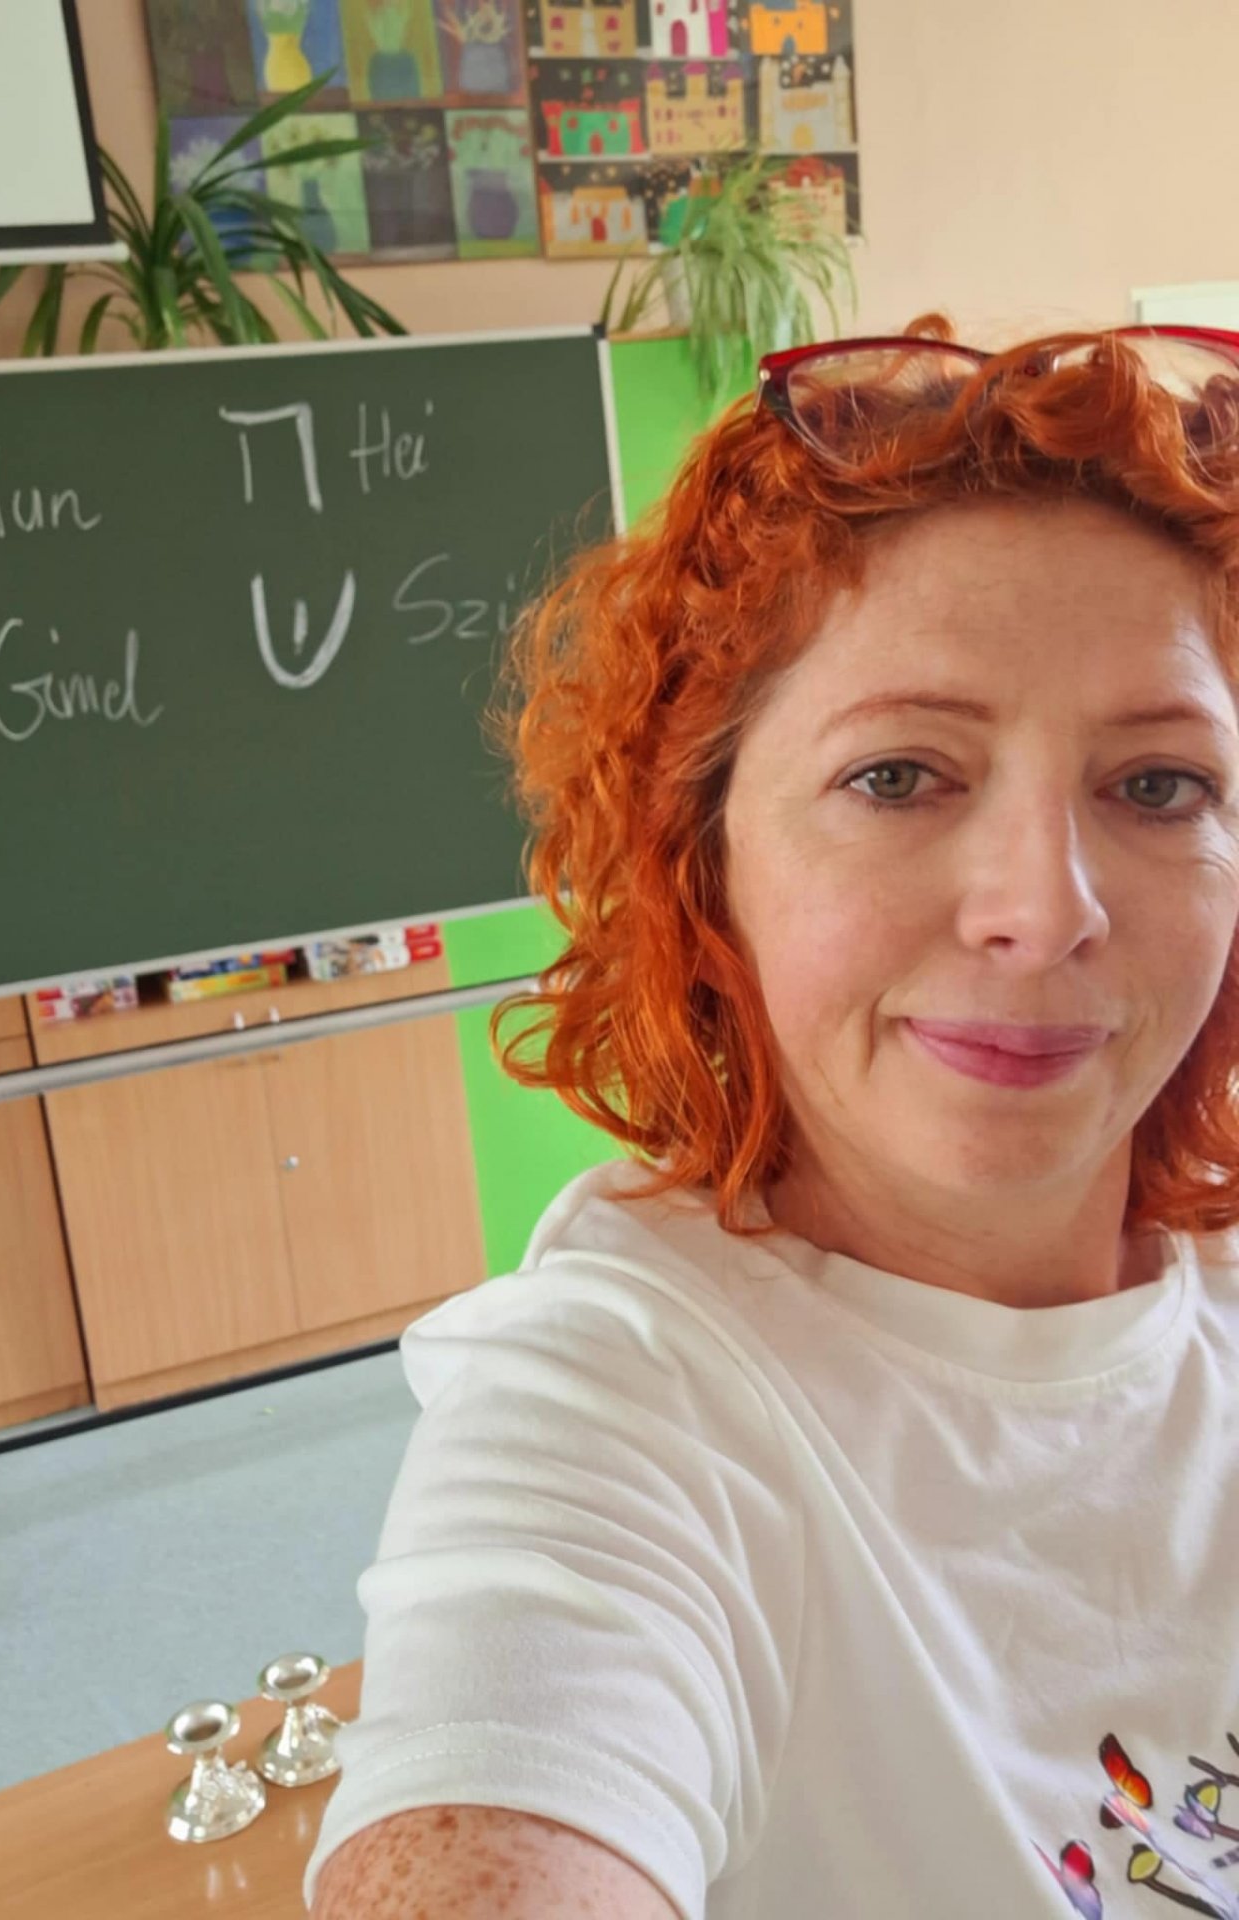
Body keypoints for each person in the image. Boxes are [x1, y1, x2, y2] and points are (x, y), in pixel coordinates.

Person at [305, 314, 1239, 1918]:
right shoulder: (618, 1406)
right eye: (900, 777)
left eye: (1159, 786)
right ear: (705, 856)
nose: (1042, 913)